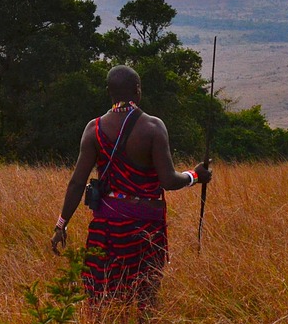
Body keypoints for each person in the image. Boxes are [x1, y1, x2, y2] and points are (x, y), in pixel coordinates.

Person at [50, 65, 212, 307]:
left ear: (109, 91)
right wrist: (195, 176)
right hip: (145, 229)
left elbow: (76, 183)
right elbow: (168, 180)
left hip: (106, 227)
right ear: (137, 90)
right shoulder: (153, 127)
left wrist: (61, 225)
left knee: (101, 295)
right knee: (145, 295)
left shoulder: (93, 129)